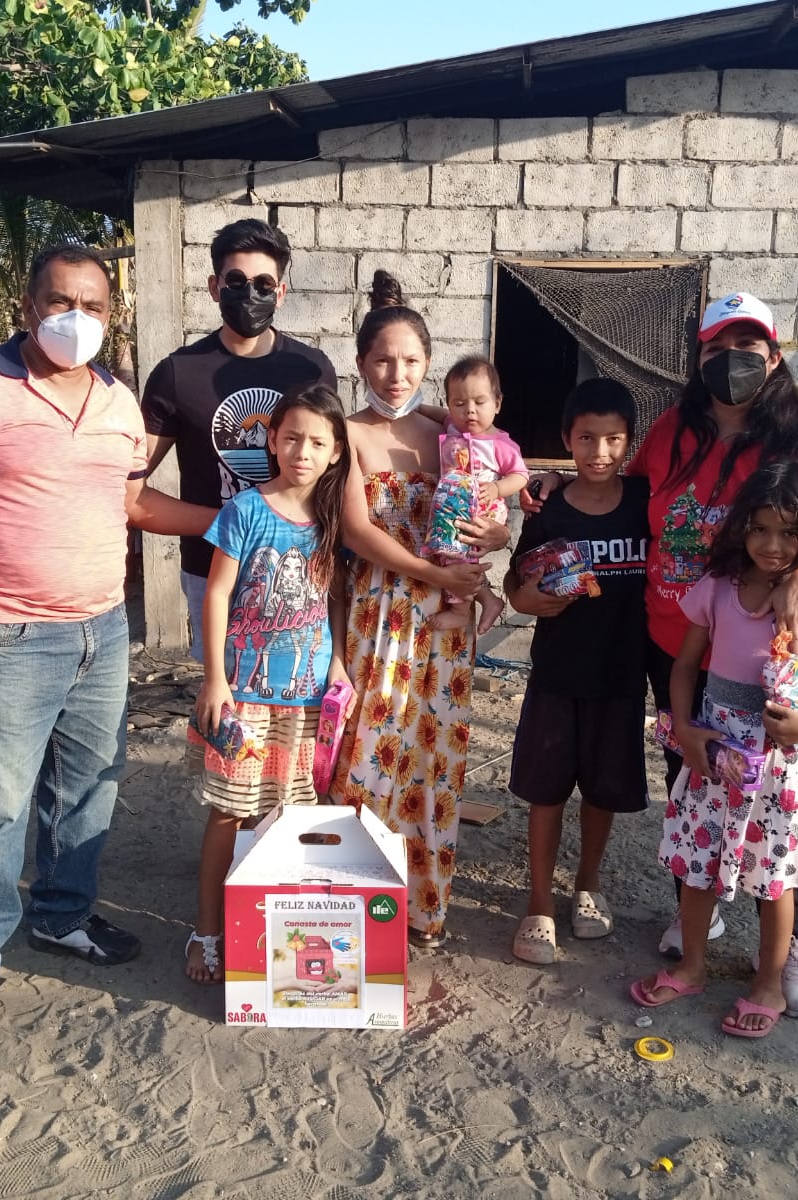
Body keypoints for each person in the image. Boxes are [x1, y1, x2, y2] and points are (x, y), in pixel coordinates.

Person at [525, 291, 798, 1017]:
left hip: (771, 654)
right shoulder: (674, 431)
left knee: (776, 799)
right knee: (692, 778)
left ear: (773, 358)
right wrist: (557, 483)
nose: (732, 361)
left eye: (748, 349)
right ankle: (700, 915)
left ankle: (787, 945)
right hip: (676, 644)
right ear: (699, 357)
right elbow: (622, 484)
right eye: (718, 349)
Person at [0, 244, 214, 1047]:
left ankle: (61, 916)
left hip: (103, 631)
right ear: (27, 306)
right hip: (11, 634)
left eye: (94, 306)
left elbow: (135, 504)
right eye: (60, 302)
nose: (77, 319)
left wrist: (233, 522)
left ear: (112, 316)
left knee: (87, 788)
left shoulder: (117, 402)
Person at [142, 218, 485, 656]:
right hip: (214, 570)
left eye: (264, 284)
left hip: (305, 566)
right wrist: (239, 524)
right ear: (214, 286)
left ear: (281, 292)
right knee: (227, 690)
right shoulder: (177, 374)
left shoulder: (311, 369)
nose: (251, 294)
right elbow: (133, 496)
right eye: (236, 282)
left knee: (301, 688)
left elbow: (334, 461)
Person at [631, 461, 798, 1038]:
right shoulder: (716, 589)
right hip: (714, 753)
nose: (772, 545)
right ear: (741, 528)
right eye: (760, 529)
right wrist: (686, 730)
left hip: (779, 763)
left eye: (788, 532)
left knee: (774, 875)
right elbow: (684, 667)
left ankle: (769, 984)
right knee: (698, 864)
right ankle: (692, 966)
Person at [330, 270, 510, 948]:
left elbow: (490, 500)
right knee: (371, 753)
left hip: (445, 621)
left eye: (410, 361)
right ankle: (352, 909)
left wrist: (496, 538)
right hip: (379, 617)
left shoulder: (446, 434)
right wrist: (433, 571)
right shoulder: (345, 434)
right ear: (360, 363)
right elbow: (356, 532)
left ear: (428, 364)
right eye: (383, 360)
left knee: (433, 758)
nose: (396, 374)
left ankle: (419, 908)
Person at [184, 386, 355, 983]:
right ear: (272, 441)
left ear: (336, 451)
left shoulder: (333, 520)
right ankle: (206, 933)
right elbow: (217, 594)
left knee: (288, 816)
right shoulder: (246, 510)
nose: (302, 452)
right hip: (245, 699)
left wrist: (338, 662)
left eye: (317, 442)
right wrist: (215, 679)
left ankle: (273, 930)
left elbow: (335, 596)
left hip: (305, 701)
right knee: (228, 812)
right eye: (291, 438)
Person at [503, 379, 648, 965]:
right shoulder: (551, 508)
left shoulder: (645, 502)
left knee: (603, 789)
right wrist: (525, 600)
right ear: (566, 439)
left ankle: (588, 884)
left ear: (630, 441)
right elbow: (516, 580)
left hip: (621, 676)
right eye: (586, 438)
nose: (600, 452)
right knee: (546, 792)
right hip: (556, 676)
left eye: (613, 439)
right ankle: (539, 902)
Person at [431, 356, 529, 635]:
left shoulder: (500, 444)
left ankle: (460, 611)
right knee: (457, 556)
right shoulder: (453, 427)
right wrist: (414, 408)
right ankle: (489, 600)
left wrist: (497, 489)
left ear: (497, 403)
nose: (469, 411)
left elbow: (520, 475)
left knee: (456, 554)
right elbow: (437, 413)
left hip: (484, 508)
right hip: (457, 505)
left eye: (479, 402)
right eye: (459, 403)